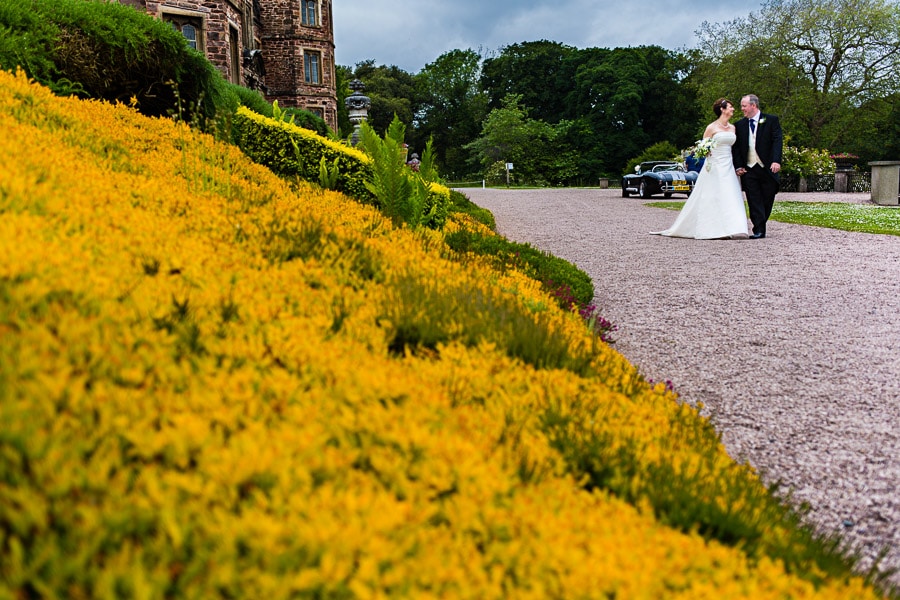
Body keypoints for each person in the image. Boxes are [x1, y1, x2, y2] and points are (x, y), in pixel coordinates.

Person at [650, 98, 749, 239]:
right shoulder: (712, 128)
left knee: (731, 195)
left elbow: (736, 148)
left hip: (728, 164)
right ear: (722, 109)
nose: (733, 109)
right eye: (730, 107)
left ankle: (734, 227)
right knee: (714, 195)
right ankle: (714, 228)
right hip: (715, 165)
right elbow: (703, 147)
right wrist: (706, 152)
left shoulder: (733, 128)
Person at [732, 94, 783, 239]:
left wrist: (776, 161)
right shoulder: (739, 125)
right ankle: (759, 230)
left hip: (767, 167)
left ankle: (761, 224)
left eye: (744, 106)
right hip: (749, 168)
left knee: (767, 198)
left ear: (753, 105)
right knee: (753, 200)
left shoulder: (771, 120)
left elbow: (777, 141)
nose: (742, 109)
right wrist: (739, 166)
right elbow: (736, 149)